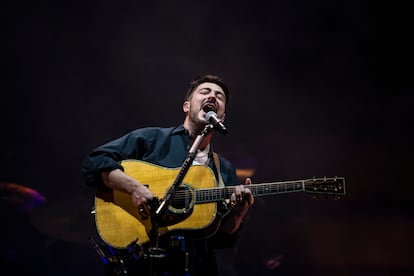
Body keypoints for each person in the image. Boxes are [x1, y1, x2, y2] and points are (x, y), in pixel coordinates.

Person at [82, 74, 254, 275]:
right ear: (187, 106)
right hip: (142, 262)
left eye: (219, 96)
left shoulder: (224, 169)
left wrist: (237, 214)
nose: (213, 97)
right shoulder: (153, 140)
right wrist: (134, 188)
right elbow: (95, 161)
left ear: (222, 117)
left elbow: (221, 239)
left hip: (197, 267)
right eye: (205, 92)